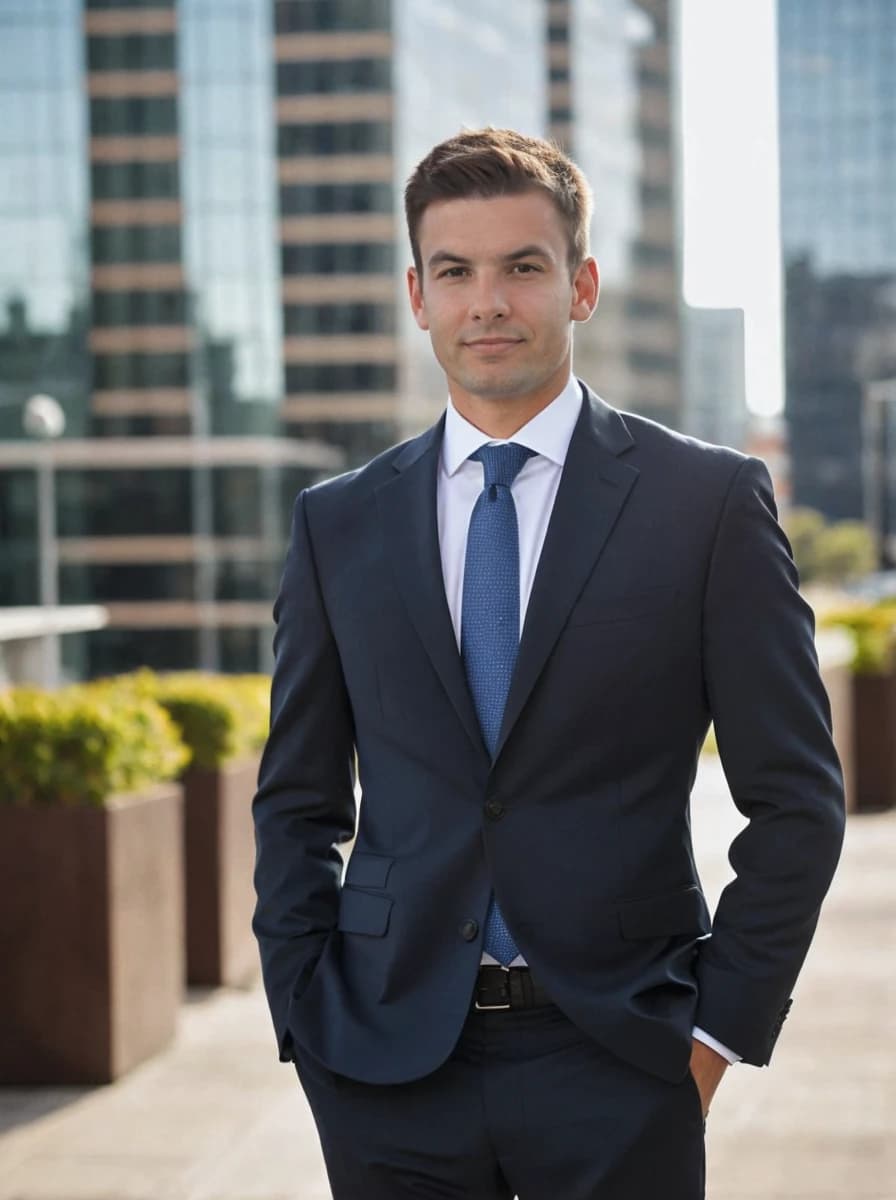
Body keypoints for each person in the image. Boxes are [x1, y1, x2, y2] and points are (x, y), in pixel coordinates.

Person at [252, 128, 845, 1200]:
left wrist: (713, 1036)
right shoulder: (338, 523)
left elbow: (796, 798)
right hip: (383, 1065)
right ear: (415, 295)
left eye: (521, 267)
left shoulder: (703, 505)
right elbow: (295, 801)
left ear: (579, 286)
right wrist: (305, 1017)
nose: (487, 301)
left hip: (620, 1057)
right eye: (455, 271)